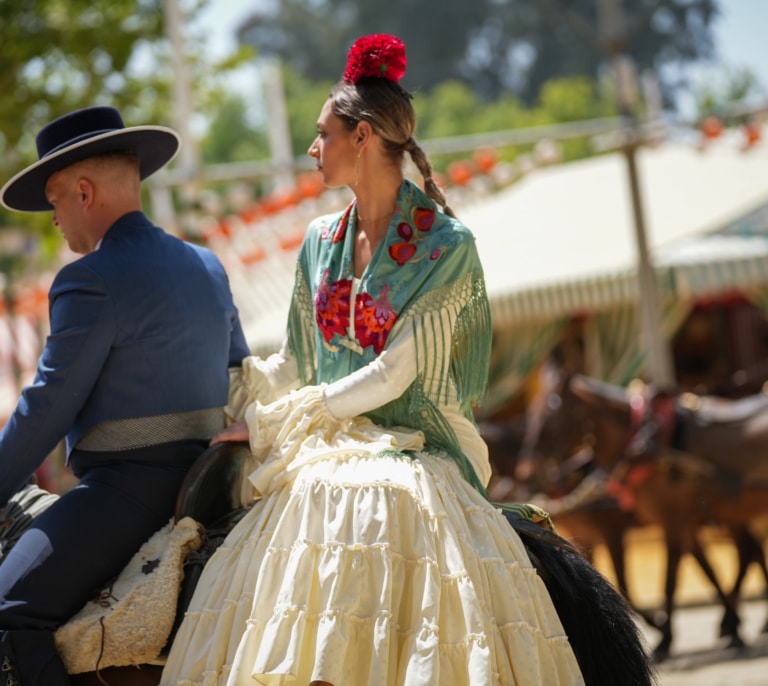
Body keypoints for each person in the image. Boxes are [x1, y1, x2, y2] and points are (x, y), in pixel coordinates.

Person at [161, 34, 584, 685]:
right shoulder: (318, 242)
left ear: (361, 138)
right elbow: (300, 360)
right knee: (304, 497)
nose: (311, 149)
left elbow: (394, 375)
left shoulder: (444, 246)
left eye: (322, 133)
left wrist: (289, 419)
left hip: (414, 444)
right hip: (331, 435)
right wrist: (233, 397)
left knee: (370, 494)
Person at [0, 105, 250, 684]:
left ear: (84, 193)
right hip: (211, 482)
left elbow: (46, 407)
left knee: (10, 613)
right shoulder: (206, 265)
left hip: (126, 494)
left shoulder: (88, 279)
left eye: (56, 200)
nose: (55, 219)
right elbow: (240, 371)